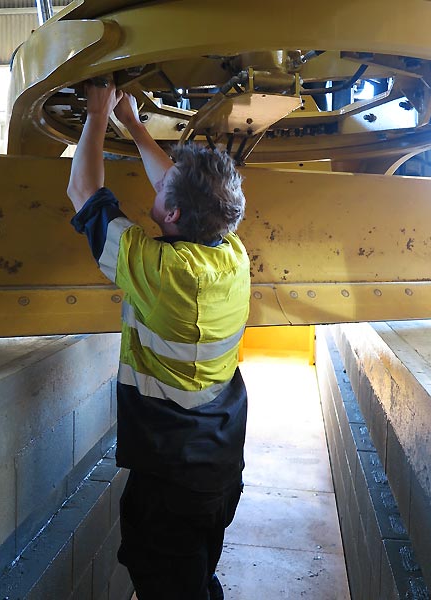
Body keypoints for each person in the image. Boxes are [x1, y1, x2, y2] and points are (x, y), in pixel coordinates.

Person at [67, 80, 250, 600]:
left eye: (163, 193)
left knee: (168, 585)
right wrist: (132, 122)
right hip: (212, 460)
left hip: (177, 470)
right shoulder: (230, 252)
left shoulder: (163, 271)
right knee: (193, 576)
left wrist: (97, 114)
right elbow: (180, 186)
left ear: (172, 215)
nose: (158, 188)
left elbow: (83, 192)